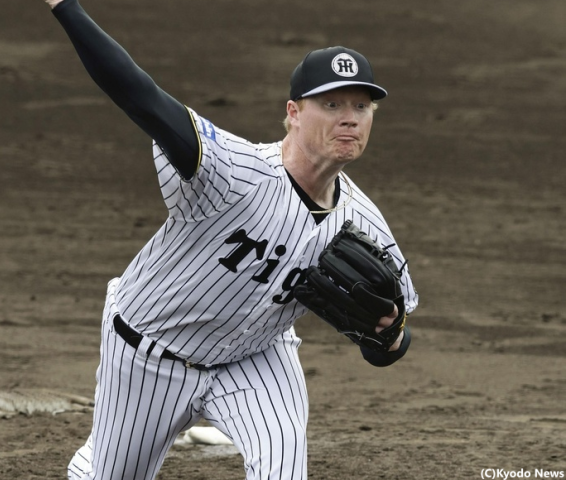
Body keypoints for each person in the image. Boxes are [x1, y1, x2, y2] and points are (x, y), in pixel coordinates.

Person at [43, 0, 418, 478]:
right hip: (148, 353)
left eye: (361, 106)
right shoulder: (229, 171)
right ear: (293, 113)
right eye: (331, 105)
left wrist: (389, 336)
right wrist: (66, 7)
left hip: (256, 358)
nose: (350, 118)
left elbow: (386, 345)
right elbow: (139, 94)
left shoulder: (366, 225)